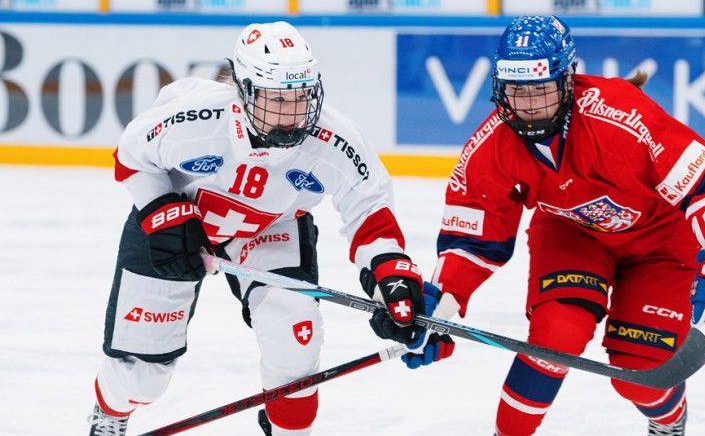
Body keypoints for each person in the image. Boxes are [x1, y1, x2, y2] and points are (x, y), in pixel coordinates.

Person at [87, 21, 442, 436]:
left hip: (269, 228)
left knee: (295, 331)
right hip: (181, 224)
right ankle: (111, 412)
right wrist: (164, 213)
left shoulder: (335, 136)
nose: (293, 114)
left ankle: (288, 428)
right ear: (244, 91)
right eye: (277, 99)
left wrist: (392, 276)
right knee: (141, 376)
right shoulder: (194, 117)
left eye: (302, 97)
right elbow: (132, 155)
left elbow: (368, 207)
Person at [417, 15, 705, 435]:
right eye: (516, 91)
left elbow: (703, 175)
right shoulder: (491, 146)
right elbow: (473, 238)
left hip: (663, 244)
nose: (528, 106)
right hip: (572, 235)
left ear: (567, 80)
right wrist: (441, 307)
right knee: (554, 338)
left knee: (639, 371)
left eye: (540, 90)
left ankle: (669, 422)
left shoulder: (620, 118)